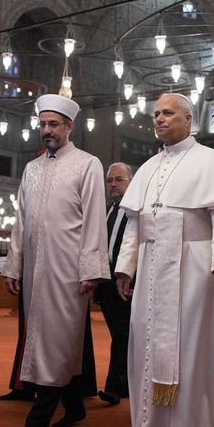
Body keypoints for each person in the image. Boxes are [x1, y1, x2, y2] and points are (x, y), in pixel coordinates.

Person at [114, 93, 214, 427]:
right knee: (145, 346)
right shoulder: (146, 167)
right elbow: (134, 225)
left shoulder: (213, 162)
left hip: (194, 267)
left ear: (189, 119)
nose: (159, 118)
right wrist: (125, 268)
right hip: (152, 264)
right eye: (156, 113)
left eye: (168, 112)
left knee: (191, 349)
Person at [2, 94, 109, 427]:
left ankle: (39, 418)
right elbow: (20, 221)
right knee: (46, 337)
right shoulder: (31, 168)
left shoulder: (87, 163)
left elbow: (95, 218)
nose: (46, 130)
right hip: (34, 267)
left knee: (57, 338)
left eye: (53, 125)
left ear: (69, 127)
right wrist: (13, 265)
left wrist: (91, 269)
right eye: (42, 124)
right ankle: (74, 405)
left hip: (68, 268)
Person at [93, 162, 134, 405]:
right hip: (106, 282)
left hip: (128, 281)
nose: (113, 184)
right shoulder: (108, 209)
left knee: (122, 335)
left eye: (119, 179)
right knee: (119, 335)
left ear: (131, 181)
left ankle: (114, 388)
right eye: (110, 180)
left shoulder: (136, 210)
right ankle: (126, 384)